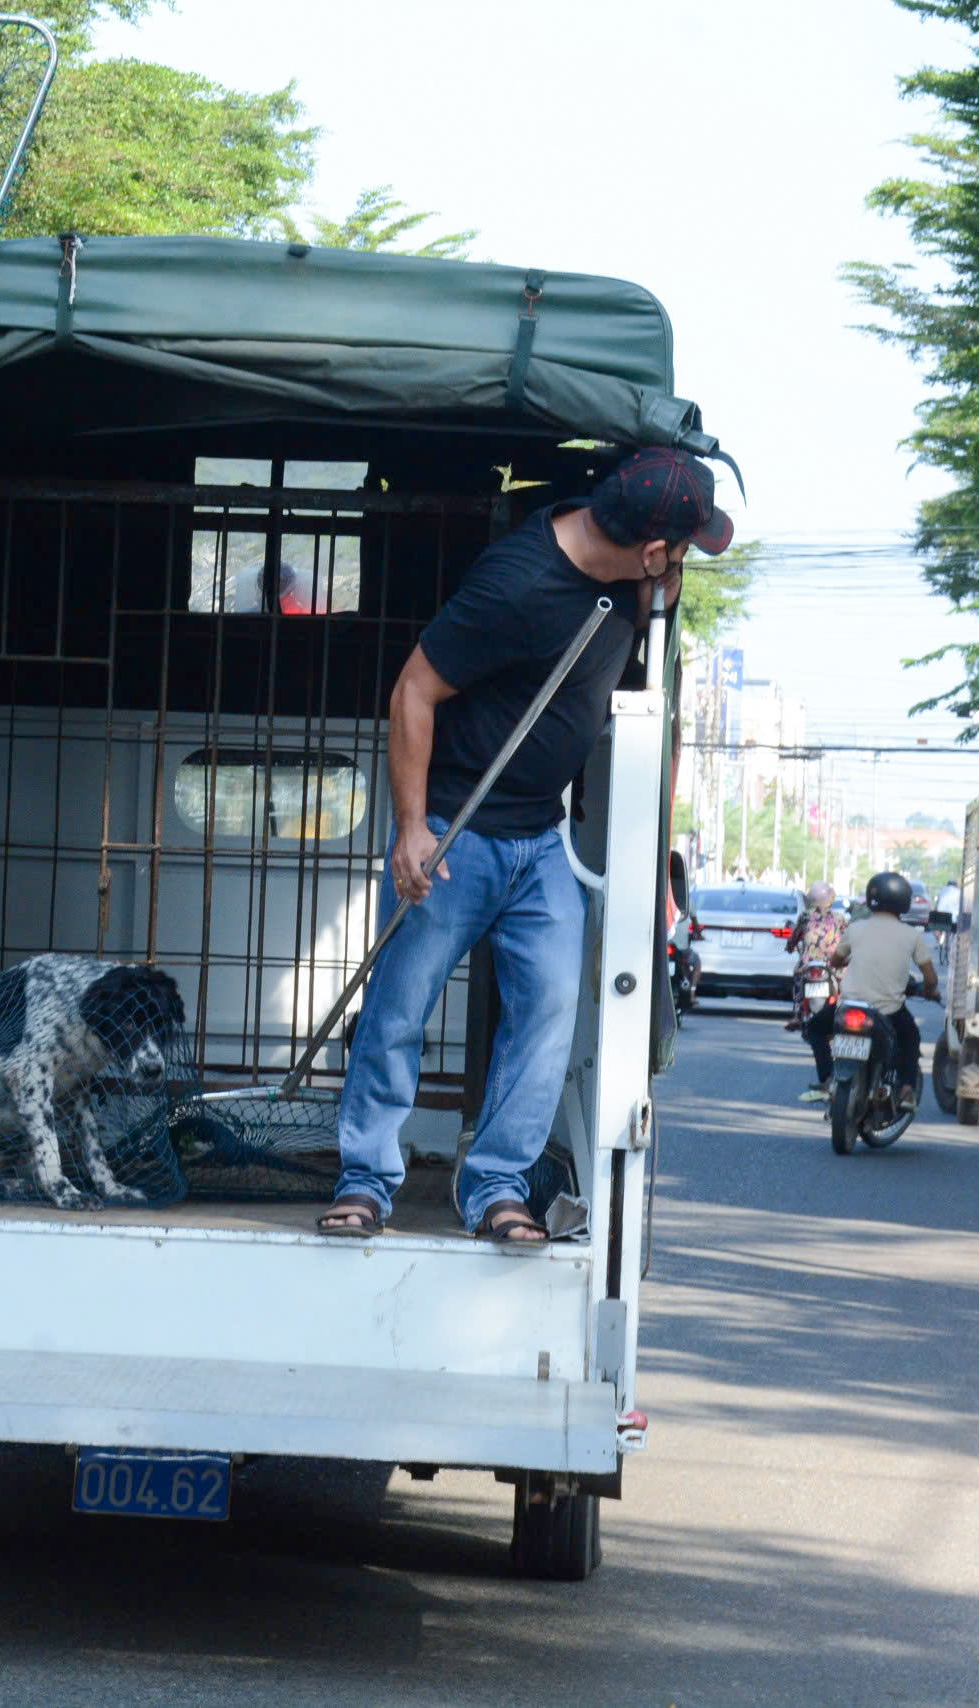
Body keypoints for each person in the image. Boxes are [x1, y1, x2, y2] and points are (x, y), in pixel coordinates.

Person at [318, 447, 734, 1242]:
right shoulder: (517, 584)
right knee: (400, 1008)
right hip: (455, 831)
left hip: (542, 837)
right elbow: (414, 689)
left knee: (544, 1013)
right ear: (651, 548)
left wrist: (660, 595)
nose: (684, 562)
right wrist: (411, 827)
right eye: (681, 549)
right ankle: (365, 1180)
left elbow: (647, 645)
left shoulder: (635, 579)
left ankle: (495, 1188)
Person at [800, 870, 935, 1103]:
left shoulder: (856, 928)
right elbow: (930, 977)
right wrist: (931, 991)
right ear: (904, 902)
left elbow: (835, 961)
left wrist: (845, 961)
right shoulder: (911, 935)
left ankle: (827, 1079)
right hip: (888, 1011)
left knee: (814, 1028)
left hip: (849, 1004)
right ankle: (905, 1089)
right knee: (910, 1038)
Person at [783, 881, 847, 1031]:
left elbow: (794, 937)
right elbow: (848, 940)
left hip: (808, 964)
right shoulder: (839, 918)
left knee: (798, 980)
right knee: (844, 986)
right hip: (834, 964)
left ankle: (797, 1014)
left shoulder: (805, 916)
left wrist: (789, 947)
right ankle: (842, 1013)